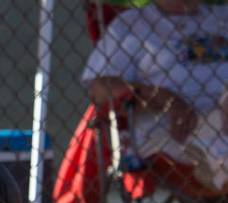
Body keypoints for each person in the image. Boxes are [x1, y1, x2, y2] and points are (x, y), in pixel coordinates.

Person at [82, 0, 228, 192]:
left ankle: (217, 159)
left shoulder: (222, 17)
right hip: (167, 128)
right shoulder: (132, 24)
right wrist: (160, 96)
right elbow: (99, 89)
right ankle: (214, 159)